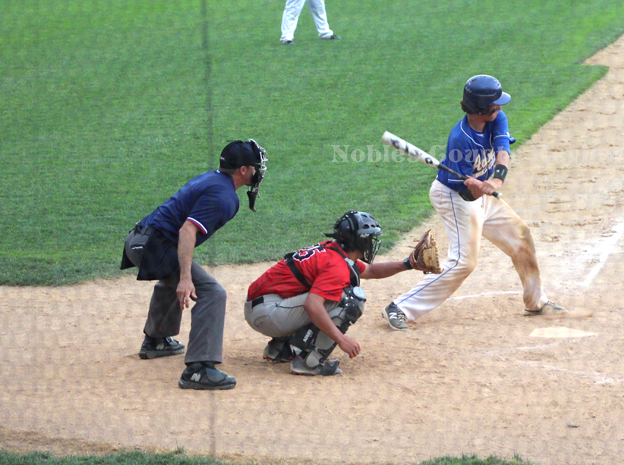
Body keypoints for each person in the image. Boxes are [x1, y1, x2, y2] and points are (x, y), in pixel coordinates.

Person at [382, 75, 564, 331]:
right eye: (494, 103)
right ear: (480, 108)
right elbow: (466, 196)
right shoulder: (461, 140)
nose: (500, 107)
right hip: (454, 197)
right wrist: (476, 190)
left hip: (482, 193)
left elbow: (503, 151)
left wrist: (495, 181)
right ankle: (400, 307)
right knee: (463, 262)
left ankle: (536, 302)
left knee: (520, 237)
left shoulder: (497, 118)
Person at [120, 139, 268, 391]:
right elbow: (187, 230)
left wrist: (182, 275)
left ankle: (157, 341)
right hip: (152, 246)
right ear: (243, 170)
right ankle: (198, 370)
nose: (258, 171)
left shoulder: (214, 179)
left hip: (139, 240)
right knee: (211, 291)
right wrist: (185, 278)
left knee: (175, 274)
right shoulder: (223, 196)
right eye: (255, 166)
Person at [244, 210, 419, 376]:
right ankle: (309, 363)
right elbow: (312, 306)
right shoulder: (336, 265)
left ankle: (279, 349)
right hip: (269, 314)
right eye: (370, 239)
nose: (372, 243)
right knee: (349, 299)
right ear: (359, 241)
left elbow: (370, 271)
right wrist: (342, 340)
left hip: (262, 308)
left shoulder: (333, 251)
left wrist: (408, 264)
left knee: (320, 291)